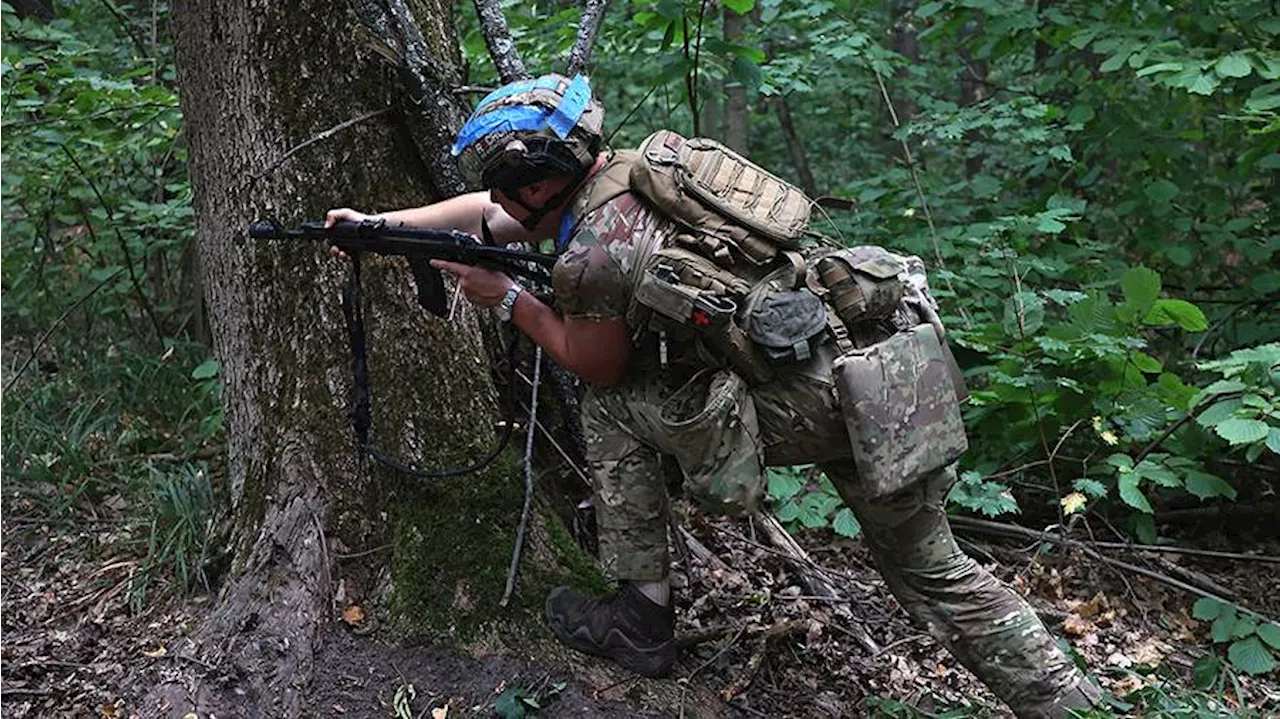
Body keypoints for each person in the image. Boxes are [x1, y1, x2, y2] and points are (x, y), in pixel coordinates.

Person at [326, 73, 1101, 718]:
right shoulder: (636, 175)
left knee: (612, 405)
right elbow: (489, 222)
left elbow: (592, 364)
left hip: (833, 403)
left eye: (507, 182)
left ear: (539, 178)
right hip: (885, 368)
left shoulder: (594, 252)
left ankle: (641, 616)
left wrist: (504, 299)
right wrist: (380, 225)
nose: (500, 198)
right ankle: (1075, 704)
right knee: (936, 570)